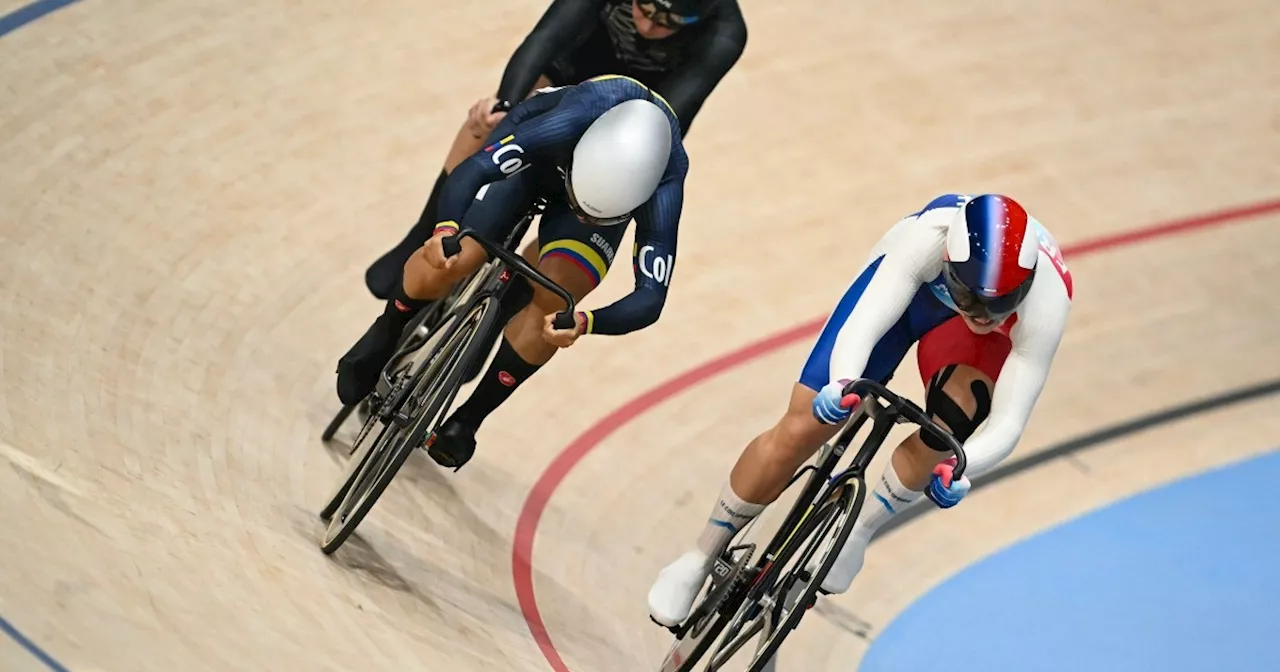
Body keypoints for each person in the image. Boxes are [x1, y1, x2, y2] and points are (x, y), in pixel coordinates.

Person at [646, 193, 1074, 626]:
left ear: (1024, 287)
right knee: (803, 423)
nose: (982, 315)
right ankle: (698, 556)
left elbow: (1009, 419)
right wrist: (843, 383)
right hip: (912, 297)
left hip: (973, 346)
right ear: (948, 262)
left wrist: (963, 465)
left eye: (998, 304)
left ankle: (862, 528)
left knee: (954, 423)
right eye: (970, 297)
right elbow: (865, 325)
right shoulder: (925, 237)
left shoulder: (1046, 301)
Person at [336, 75, 690, 469]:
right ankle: (387, 328)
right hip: (538, 160)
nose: (580, 209)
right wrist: (445, 230)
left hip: (596, 202)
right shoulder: (565, 122)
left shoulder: (665, 180)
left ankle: (469, 418)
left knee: (559, 303)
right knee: (459, 255)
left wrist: (585, 322)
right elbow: (475, 170)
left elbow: (651, 298)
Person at [364, 0, 747, 301]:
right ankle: (423, 231)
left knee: (604, 197)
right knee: (490, 120)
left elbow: (669, 114)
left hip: (633, 120)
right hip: (568, 74)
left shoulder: (725, 32)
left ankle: (505, 299)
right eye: (641, 7)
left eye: (665, 23)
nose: (646, 26)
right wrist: (507, 106)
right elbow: (546, 37)